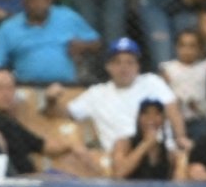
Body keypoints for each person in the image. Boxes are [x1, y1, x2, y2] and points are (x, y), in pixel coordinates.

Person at [56, 37, 191, 151]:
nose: (124, 67)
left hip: (159, 155)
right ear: (108, 66)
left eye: (129, 62)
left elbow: (172, 110)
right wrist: (51, 101)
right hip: (120, 161)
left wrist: (181, 137)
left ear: (138, 66)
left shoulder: (152, 81)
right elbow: (66, 114)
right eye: (117, 62)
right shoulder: (96, 93)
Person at [0, 68, 94, 177]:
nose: (6, 94)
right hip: (12, 181)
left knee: (71, 177)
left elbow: (42, 146)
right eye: (0, 88)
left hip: (31, 178)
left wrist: (71, 144)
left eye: (10, 88)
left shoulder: (11, 123)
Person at [0, 0, 100, 85]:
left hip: (66, 87)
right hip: (26, 88)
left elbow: (97, 43)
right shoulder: (8, 28)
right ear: (23, 1)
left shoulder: (68, 17)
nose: (36, 2)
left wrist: (84, 46)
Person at [159, 29, 206, 141]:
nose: (187, 50)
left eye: (192, 46)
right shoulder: (168, 68)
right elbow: (160, 93)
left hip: (199, 116)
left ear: (200, 49)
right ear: (176, 48)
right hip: (175, 118)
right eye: (183, 46)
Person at [111, 98, 184, 180]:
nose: (151, 118)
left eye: (157, 114)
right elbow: (119, 173)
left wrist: (180, 162)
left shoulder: (168, 154)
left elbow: (177, 184)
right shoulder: (123, 144)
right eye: (146, 113)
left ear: (163, 119)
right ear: (138, 118)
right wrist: (146, 144)